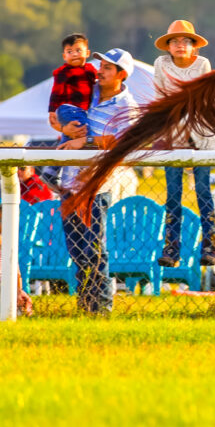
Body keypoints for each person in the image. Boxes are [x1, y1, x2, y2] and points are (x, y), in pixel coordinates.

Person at [55, 48, 139, 314]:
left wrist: (85, 141)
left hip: (96, 187)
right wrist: (64, 129)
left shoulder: (128, 106)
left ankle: (100, 307)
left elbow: (121, 142)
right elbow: (58, 118)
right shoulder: (85, 93)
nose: (99, 70)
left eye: (107, 67)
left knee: (95, 250)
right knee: (77, 251)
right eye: (100, 64)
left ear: (121, 75)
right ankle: (85, 305)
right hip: (68, 183)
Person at [154, 20, 215, 268]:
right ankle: (171, 248)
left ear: (194, 46)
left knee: (203, 191)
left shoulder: (202, 64)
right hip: (173, 134)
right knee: (173, 195)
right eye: (175, 41)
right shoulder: (161, 64)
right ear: (168, 46)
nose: (180, 45)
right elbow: (162, 97)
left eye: (186, 41)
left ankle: (211, 246)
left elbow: (203, 99)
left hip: (201, 132)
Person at [40, 32, 97, 189]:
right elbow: (56, 91)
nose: (74, 55)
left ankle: (50, 171)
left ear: (87, 53)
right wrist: (52, 111)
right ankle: (79, 171)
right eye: (70, 52)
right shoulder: (64, 72)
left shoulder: (91, 70)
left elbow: (96, 88)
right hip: (69, 109)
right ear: (64, 56)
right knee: (84, 131)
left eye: (78, 50)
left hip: (80, 110)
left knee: (69, 139)